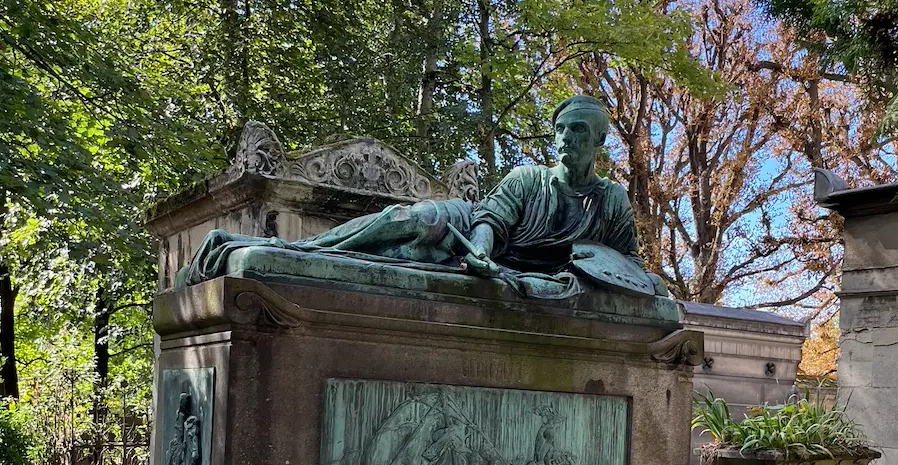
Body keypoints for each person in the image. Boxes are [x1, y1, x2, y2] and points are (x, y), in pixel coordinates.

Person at [179, 95, 666, 297]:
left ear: (600, 142)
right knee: (406, 222)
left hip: (510, 270)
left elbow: (626, 269)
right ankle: (295, 249)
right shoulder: (526, 178)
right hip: (471, 230)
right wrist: (479, 248)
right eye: (560, 129)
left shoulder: (612, 202)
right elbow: (493, 218)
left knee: (397, 258)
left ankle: (289, 257)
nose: (565, 139)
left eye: (578, 131)